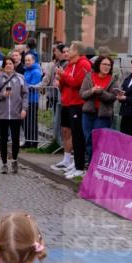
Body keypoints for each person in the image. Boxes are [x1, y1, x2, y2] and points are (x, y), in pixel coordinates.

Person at [55, 41, 91, 179]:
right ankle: (72, 162)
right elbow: (65, 84)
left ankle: (79, 165)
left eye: (70, 49)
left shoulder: (84, 64)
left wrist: (63, 75)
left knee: (77, 135)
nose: (67, 52)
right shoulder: (70, 64)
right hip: (67, 102)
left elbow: (77, 83)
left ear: (77, 51)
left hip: (77, 103)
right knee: (68, 132)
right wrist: (60, 78)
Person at [0, 56, 28, 174]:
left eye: (10, 63)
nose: (8, 65)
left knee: (15, 139)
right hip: (2, 114)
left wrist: (24, 109)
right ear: (3, 66)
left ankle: (15, 160)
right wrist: (2, 95)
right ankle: (4, 164)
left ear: (13, 65)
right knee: (3, 139)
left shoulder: (20, 78)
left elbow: (25, 94)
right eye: (6, 64)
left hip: (16, 113)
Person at [80, 54, 119, 162]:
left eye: (109, 65)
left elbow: (112, 97)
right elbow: (82, 94)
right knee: (88, 139)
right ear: (98, 65)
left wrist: (101, 92)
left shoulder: (113, 80)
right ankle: (92, 163)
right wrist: (92, 91)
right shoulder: (89, 77)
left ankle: (95, 164)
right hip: (88, 113)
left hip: (103, 115)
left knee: (98, 141)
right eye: (104, 64)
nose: (106, 67)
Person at [22, 51, 43, 145]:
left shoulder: (36, 72)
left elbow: (33, 86)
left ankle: (33, 142)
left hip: (32, 100)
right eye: (26, 60)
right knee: (25, 122)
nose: (27, 62)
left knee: (31, 122)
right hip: (25, 99)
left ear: (33, 61)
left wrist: (22, 87)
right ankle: (27, 140)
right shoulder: (27, 70)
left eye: (29, 60)